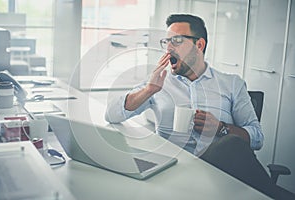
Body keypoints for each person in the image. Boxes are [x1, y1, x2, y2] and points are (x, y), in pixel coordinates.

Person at [105, 14, 280, 198]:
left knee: (232, 143)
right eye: (166, 42)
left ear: (199, 45)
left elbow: (257, 138)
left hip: (219, 174)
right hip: (172, 171)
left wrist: (221, 128)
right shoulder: (159, 82)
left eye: (177, 41)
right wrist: (148, 90)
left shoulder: (232, 84)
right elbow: (111, 114)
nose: (169, 48)